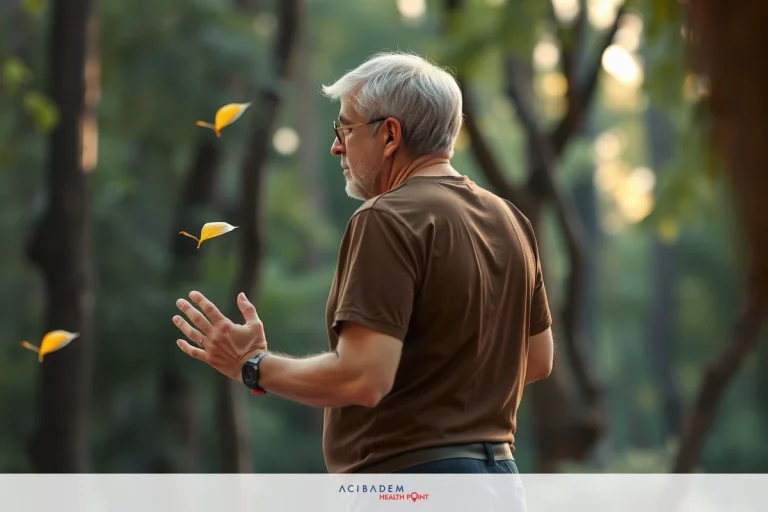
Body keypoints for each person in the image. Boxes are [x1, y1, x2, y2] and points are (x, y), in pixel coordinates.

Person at [172, 51, 554, 475]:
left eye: (346, 128)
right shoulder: (510, 219)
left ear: (390, 135)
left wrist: (254, 365)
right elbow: (537, 360)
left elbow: (362, 379)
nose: (337, 145)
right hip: (499, 481)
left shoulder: (387, 217)